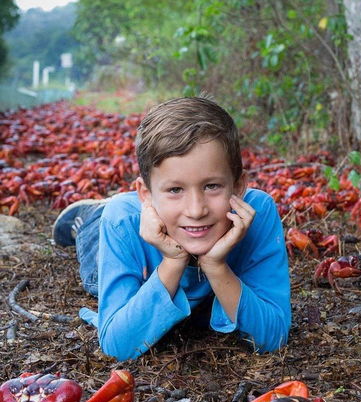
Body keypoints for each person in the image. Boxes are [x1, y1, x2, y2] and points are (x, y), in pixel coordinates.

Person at [52, 96, 291, 361]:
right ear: (146, 194)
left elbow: (275, 335)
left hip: (174, 227)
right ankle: (90, 216)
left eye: (212, 186)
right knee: (95, 275)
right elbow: (117, 345)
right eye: (175, 189)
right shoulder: (122, 222)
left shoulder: (258, 212)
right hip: (133, 230)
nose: (196, 209)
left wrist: (215, 266)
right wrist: (173, 260)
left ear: (238, 186)